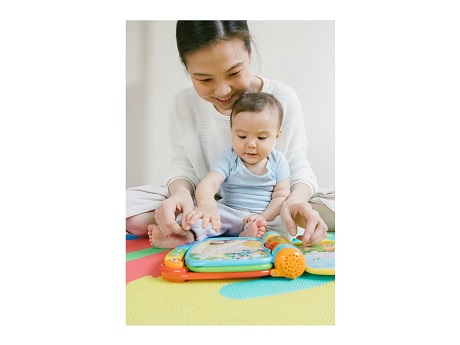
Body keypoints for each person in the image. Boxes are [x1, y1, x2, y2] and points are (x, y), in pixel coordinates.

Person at [126, 20, 330, 249]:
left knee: (318, 209)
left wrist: (294, 202)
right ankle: (190, 226)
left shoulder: (282, 99)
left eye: (234, 72)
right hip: (210, 203)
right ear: (186, 68)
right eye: (204, 79)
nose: (222, 91)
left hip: (268, 210)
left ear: (249, 52)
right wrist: (181, 194)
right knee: (129, 209)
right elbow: (184, 169)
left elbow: (299, 171)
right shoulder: (183, 104)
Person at [185, 92, 290, 241]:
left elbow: (281, 196)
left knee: (285, 221)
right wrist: (207, 204)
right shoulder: (229, 157)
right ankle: (184, 235)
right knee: (197, 216)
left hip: (265, 216)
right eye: (242, 136)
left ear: (276, 136)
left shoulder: (278, 161)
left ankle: (251, 233)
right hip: (230, 213)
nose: (251, 144)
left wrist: (262, 217)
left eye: (261, 138)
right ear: (232, 132)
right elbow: (210, 182)